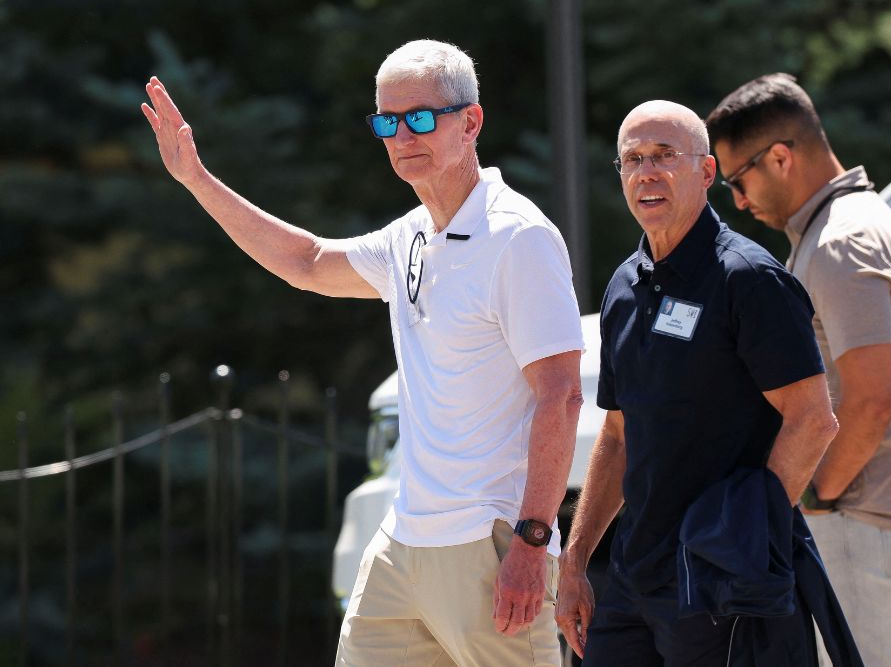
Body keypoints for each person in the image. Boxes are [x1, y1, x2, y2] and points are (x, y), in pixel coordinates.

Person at [141, 40, 584, 667]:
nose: (403, 135)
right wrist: (196, 178)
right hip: (402, 544)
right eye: (387, 122)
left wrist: (533, 543)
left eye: (422, 117)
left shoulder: (519, 236)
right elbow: (307, 262)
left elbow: (562, 395)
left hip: (489, 545)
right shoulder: (408, 235)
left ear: (471, 121)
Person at [555, 100, 841, 666]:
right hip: (634, 576)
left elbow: (813, 419)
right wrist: (576, 560)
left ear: (706, 172)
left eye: (665, 156)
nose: (647, 172)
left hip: (717, 582)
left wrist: (744, 539)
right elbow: (617, 434)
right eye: (632, 160)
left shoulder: (750, 279)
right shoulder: (623, 285)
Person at [706, 73, 891, 667]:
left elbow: (870, 403)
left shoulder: (841, 242)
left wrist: (814, 496)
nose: (737, 201)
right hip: (872, 517)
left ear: (780, 157)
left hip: (860, 519)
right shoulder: (861, 221)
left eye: (738, 179)